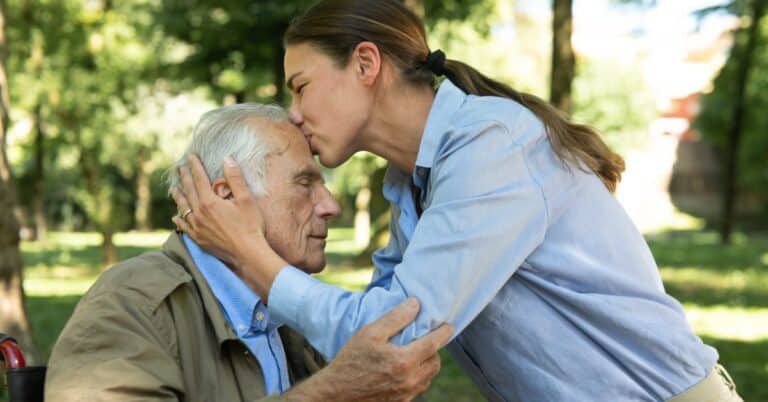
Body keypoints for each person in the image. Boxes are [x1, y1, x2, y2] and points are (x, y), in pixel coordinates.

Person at [172, 1, 743, 401]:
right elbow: (375, 337)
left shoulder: (491, 147)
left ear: (366, 65)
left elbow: (394, 339)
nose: (294, 112)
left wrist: (253, 258)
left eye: (301, 86)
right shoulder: (413, 182)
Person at [45, 103, 451, 402]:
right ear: (227, 197)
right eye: (305, 182)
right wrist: (333, 393)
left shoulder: (285, 311)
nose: (331, 205)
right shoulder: (133, 302)